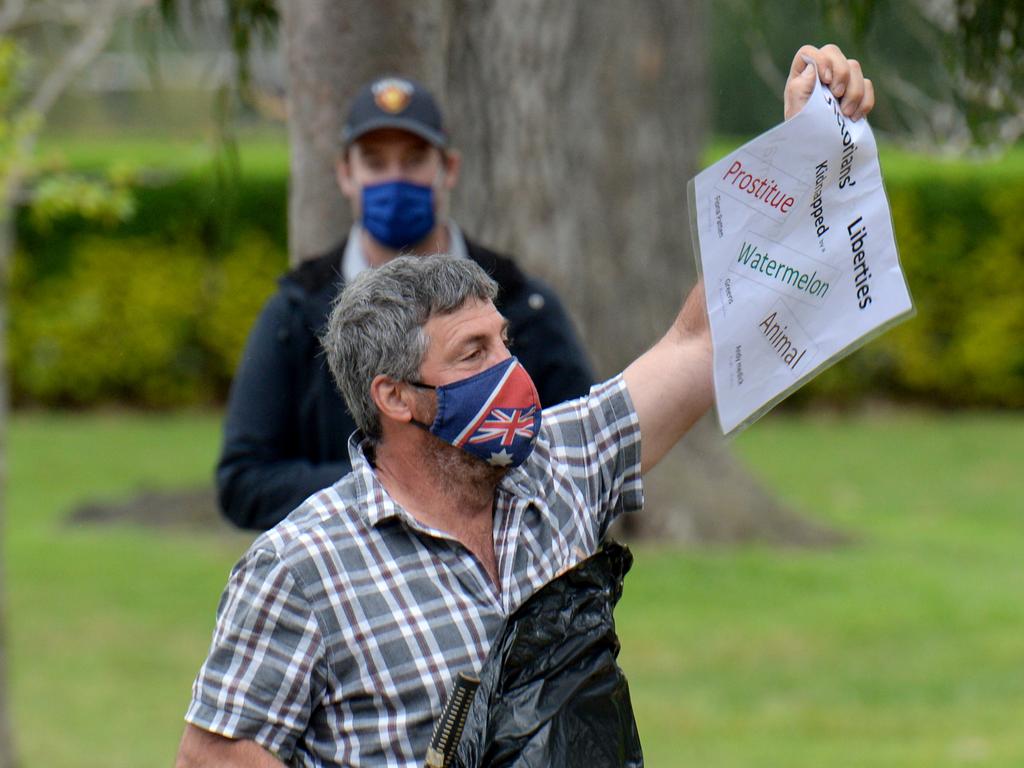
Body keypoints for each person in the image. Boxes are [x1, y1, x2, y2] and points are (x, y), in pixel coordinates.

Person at [178, 45, 874, 767]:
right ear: (395, 397)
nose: (511, 372)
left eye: (503, 343)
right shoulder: (301, 566)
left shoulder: (563, 465)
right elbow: (212, 755)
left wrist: (796, 154)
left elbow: (697, 343)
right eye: (472, 355)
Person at [217, 75, 595, 530]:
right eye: (375, 163)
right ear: (345, 174)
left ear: (448, 168)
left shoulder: (521, 305)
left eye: (414, 160)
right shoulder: (297, 313)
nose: (394, 179)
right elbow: (243, 480)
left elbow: (579, 452)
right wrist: (398, 488)